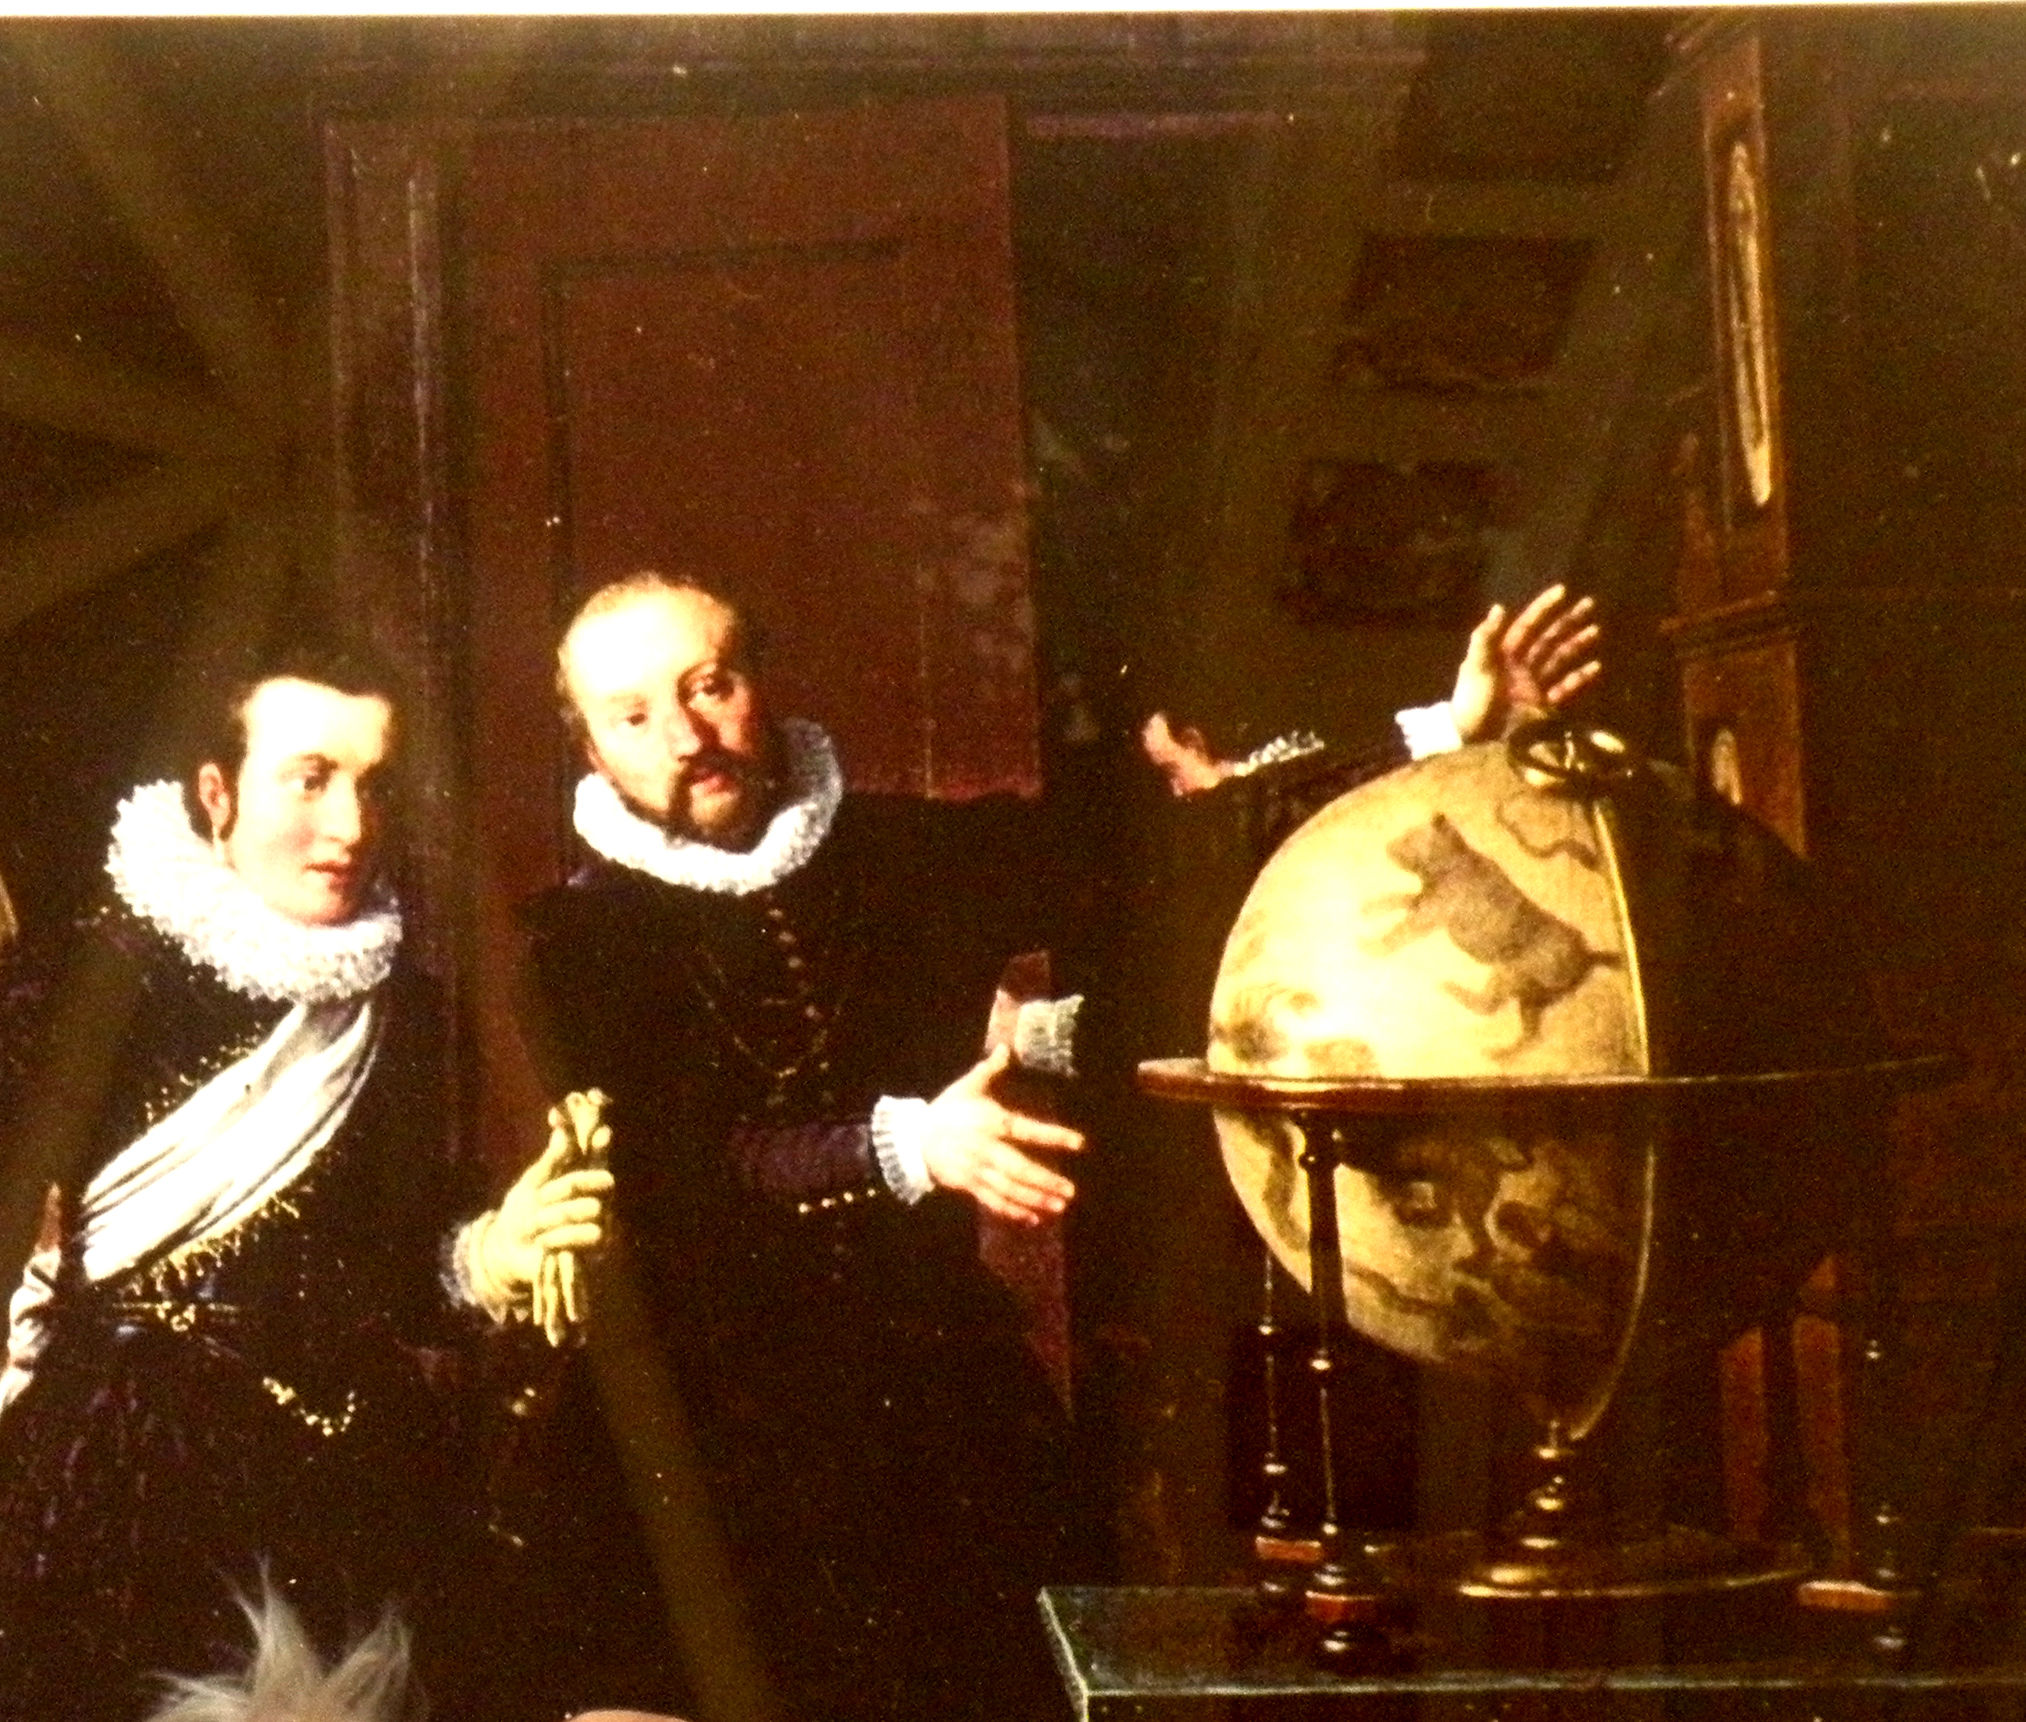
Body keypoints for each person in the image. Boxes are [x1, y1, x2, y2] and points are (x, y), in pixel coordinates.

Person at [517, 573, 1600, 1722]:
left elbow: (1172, 841)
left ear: (760, 683)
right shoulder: (580, 942)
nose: (686, 736)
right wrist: (909, 1145)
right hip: (697, 1436)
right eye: (634, 715)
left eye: (710, 686)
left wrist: (1442, 732)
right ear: (590, 748)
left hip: (928, 1399)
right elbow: (683, 1169)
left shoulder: (900, 852)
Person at [0, 642, 612, 1722]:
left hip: (357, 1483)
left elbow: (399, 1265)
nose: (351, 825)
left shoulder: (404, 1008)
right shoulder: (87, 979)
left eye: (374, 785)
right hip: (119, 1476)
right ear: (218, 794)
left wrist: (490, 1252)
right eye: (310, 779)